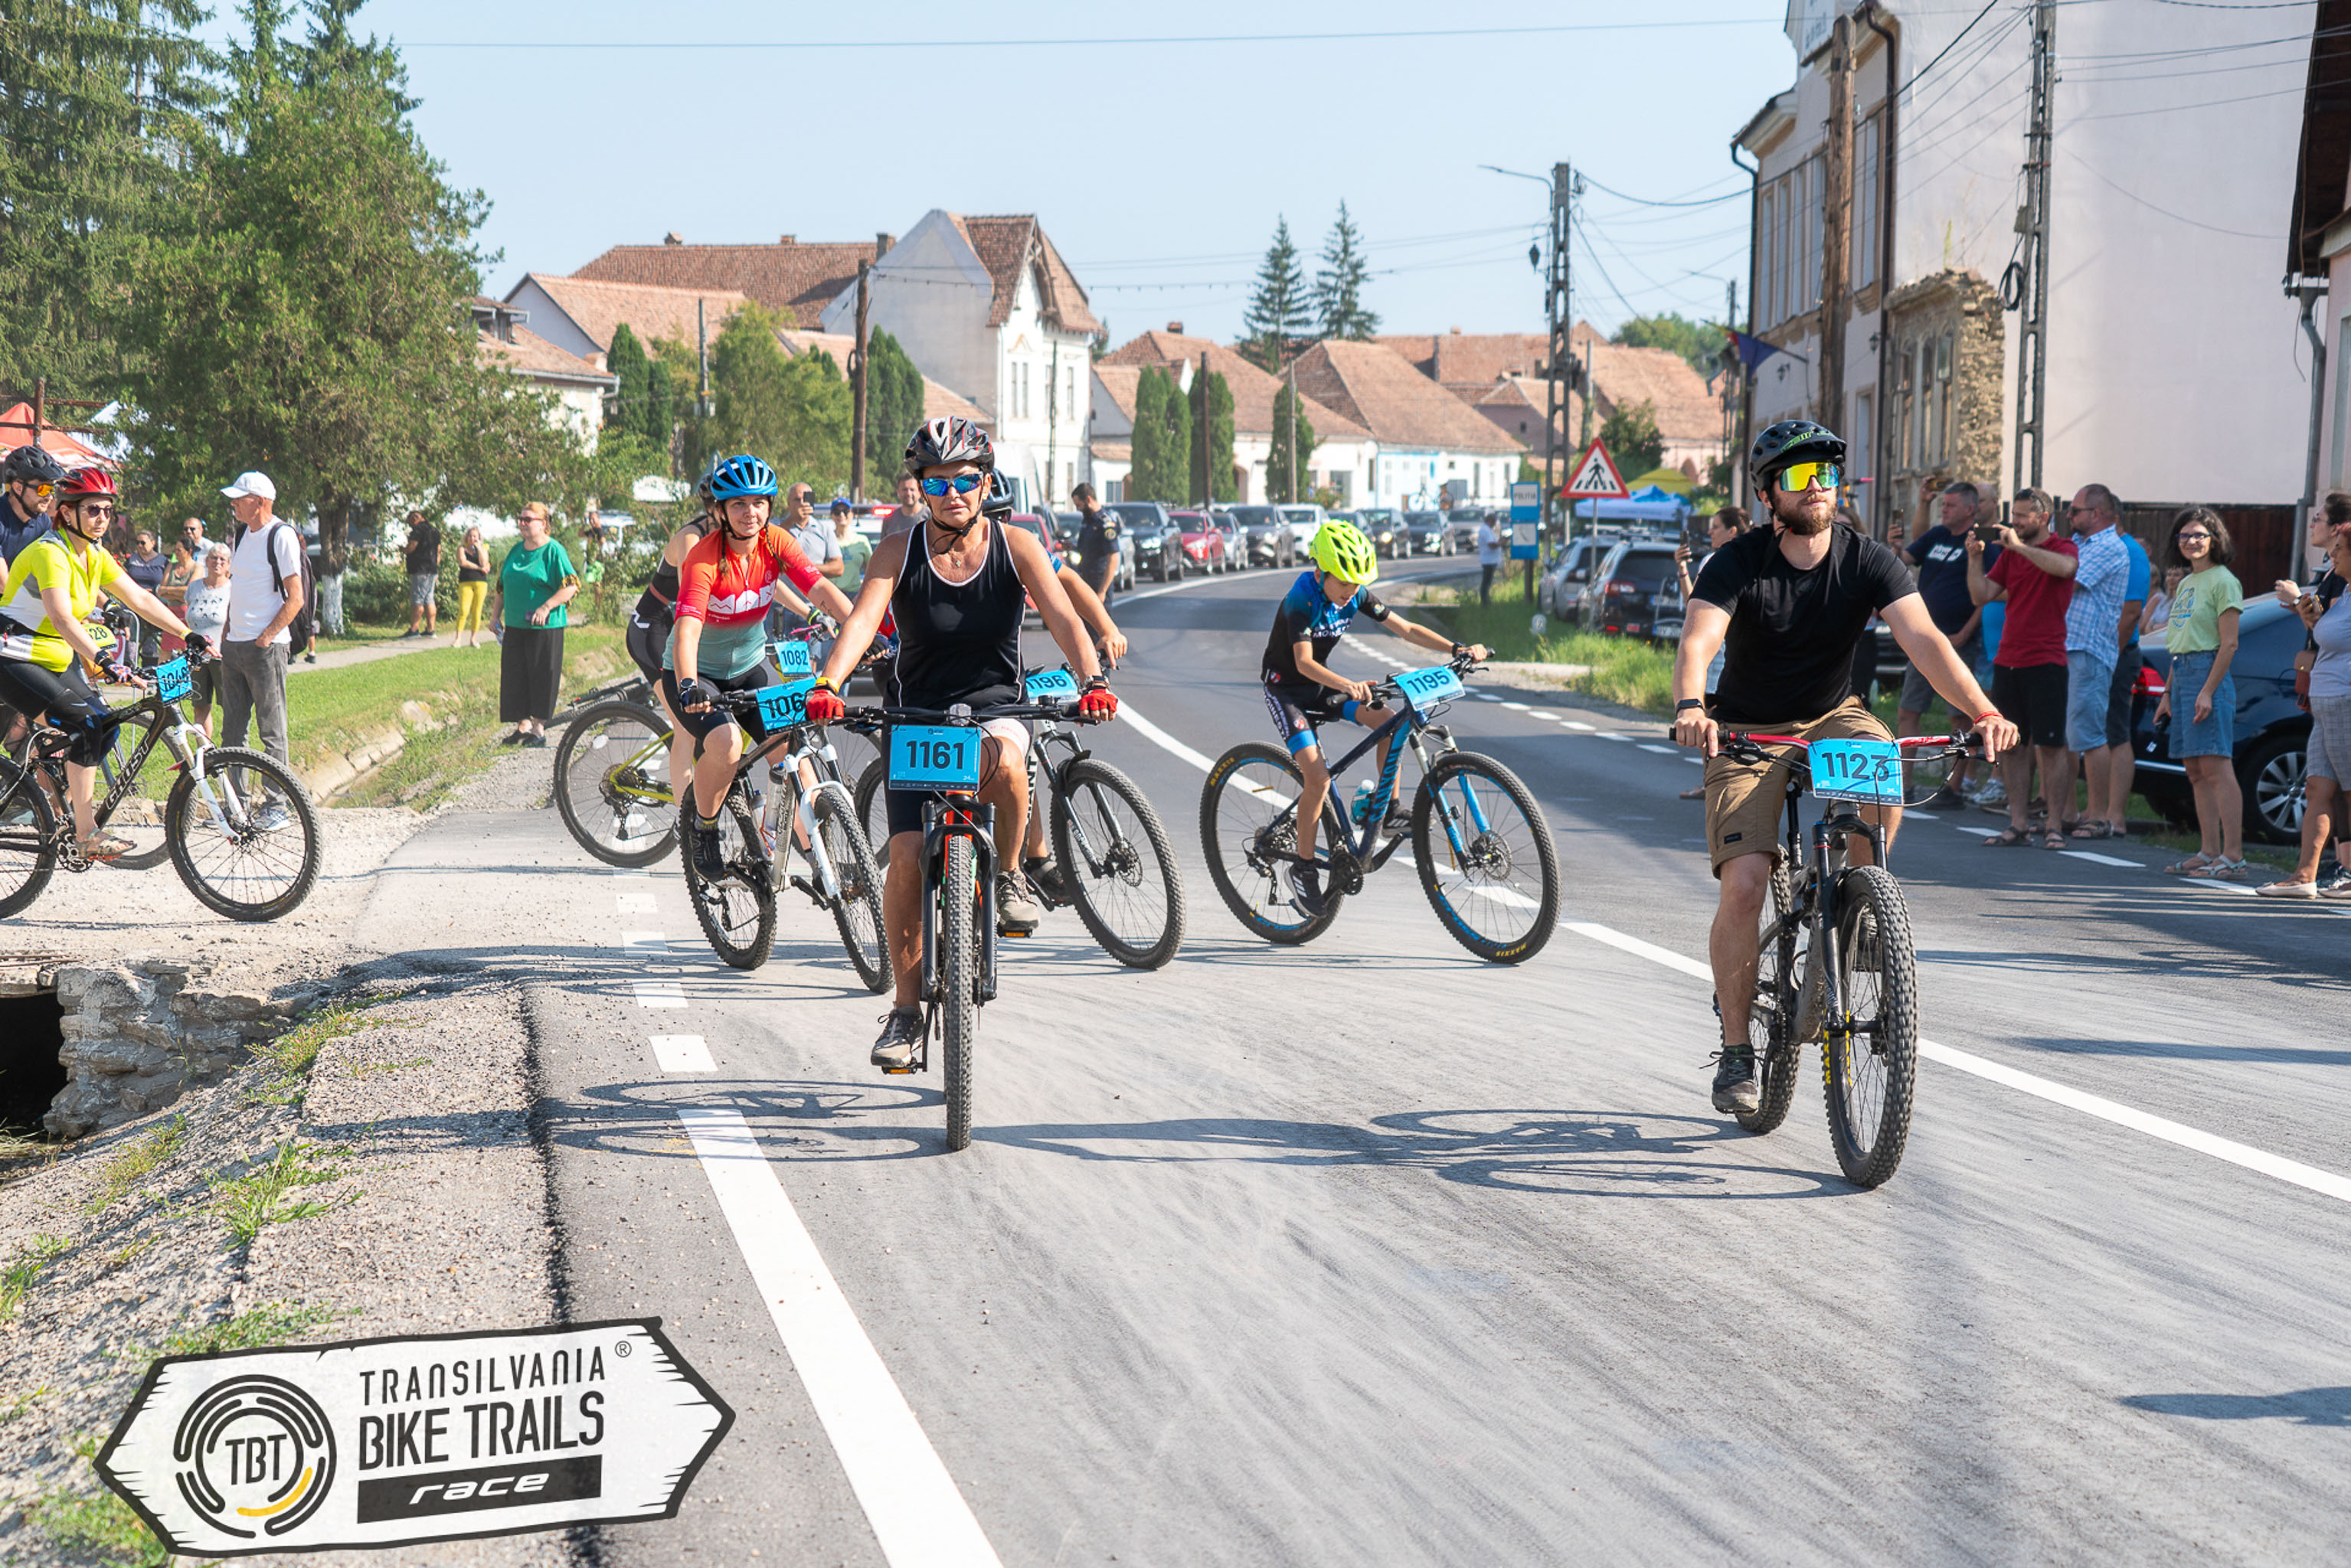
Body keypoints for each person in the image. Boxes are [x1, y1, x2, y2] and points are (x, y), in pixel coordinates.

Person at [1673, 420, 2014, 1116]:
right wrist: (1690, 705)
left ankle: (1859, 910)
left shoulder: (1868, 560)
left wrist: (1982, 711)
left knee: (1883, 763)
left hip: (1834, 714)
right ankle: (1737, 1051)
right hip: (1747, 728)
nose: (1818, 487)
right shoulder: (1736, 563)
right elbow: (1699, 639)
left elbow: (1925, 640)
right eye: (1801, 477)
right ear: (1769, 494)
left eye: (1827, 475)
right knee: (1745, 884)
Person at [804, 416, 1117, 1073]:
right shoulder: (898, 550)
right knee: (906, 859)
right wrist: (830, 682)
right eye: (937, 482)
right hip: (915, 714)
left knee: (1009, 765)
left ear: (986, 483)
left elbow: (1063, 617)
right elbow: (862, 620)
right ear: (920, 488)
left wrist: (1092, 680)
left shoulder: (1016, 545)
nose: (952, 493)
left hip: (996, 706)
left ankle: (1009, 873)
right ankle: (904, 1011)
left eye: (965, 480)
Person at [1259, 520, 1489, 920]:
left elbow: (1407, 628)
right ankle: (1303, 868)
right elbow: (1304, 663)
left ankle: (1387, 812)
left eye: (1356, 584)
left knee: (1387, 723)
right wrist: (1347, 685)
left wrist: (1457, 648)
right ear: (1322, 572)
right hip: (1288, 691)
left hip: (1323, 686)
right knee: (1318, 779)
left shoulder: (1356, 594)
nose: (1351, 592)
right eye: (1344, 583)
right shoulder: (1302, 599)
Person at [667, 456, 856, 878]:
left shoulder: (776, 541)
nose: (750, 513)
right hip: (698, 674)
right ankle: (704, 828)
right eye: (738, 504)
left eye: (758, 503)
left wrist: (864, 630)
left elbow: (819, 588)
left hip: (749, 667)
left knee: (791, 747)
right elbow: (687, 631)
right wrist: (687, 684)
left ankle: (819, 857)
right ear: (721, 511)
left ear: (770, 506)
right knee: (728, 744)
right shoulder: (703, 558)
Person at [0, 469, 201, 857]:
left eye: (108, 511)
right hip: (13, 656)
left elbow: (140, 599)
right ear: (67, 512)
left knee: (105, 726)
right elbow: (62, 619)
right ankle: (85, 833)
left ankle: (55, 790)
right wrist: (104, 660)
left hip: (53, 657)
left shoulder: (94, 554)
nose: (103, 518)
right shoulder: (50, 553)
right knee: (87, 724)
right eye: (93, 509)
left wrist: (187, 632)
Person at [1967, 486, 2075, 848]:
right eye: (2013, 515)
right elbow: (1981, 595)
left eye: (2021, 516)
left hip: (2047, 660)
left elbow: (2066, 568)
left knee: (2051, 746)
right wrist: (1974, 558)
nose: (2014, 522)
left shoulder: (2062, 548)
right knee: (2011, 746)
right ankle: (2018, 824)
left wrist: (2019, 547)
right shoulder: (2010, 554)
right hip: (2008, 660)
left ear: (2043, 518)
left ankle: (2054, 825)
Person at [2259, 494, 2351, 897]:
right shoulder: (2340, 587)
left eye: (2339, 550)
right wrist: (2307, 610)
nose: (2333, 557)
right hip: (2325, 697)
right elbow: (2325, 632)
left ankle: (2347, 871)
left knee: (2348, 789)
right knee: (2317, 786)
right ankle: (2304, 876)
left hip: (2344, 697)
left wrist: (2300, 601)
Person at [2155, 508, 2247, 880]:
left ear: (2214, 539)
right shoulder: (2188, 582)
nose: (2191, 541)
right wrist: (2167, 694)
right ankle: (2209, 851)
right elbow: (2181, 641)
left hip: (2208, 674)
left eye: (2199, 535)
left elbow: (2229, 644)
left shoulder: (2224, 580)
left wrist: (2207, 691)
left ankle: (2233, 855)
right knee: (2194, 769)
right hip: (2183, 673)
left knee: (2216, 765)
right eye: (2184, 536)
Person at [1897, 482, 1993, 808]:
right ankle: (1904, 784)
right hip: (1923, 638)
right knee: (1908, 709)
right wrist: (1921, 505)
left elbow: (1987, 591)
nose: (1945, 509)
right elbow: (1905, 557)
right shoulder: (1937, 535)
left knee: (1960, 716)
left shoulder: (1981, 542)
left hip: (1957, 640)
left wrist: (1966, 632)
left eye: (1950, 505)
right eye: (1943, 504)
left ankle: (1953, 788)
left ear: (1970, 509)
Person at [219, 470, 304, 825]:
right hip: (235, 646)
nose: (234, 505)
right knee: (232, 732)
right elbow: (239, 587)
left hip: (265, 649)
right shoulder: (242, 534)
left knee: (272, 730)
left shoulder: (281, 535)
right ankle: (236, 807)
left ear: (261, 502)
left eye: (240, 499)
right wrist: (227, 631)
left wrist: (267, 636)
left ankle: (276, 806)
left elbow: (296, 597)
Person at [2052, 483, 2131, 836]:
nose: (2069, 516)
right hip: (2065, 646)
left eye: (2075, 511)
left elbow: (2067, 579)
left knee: (2089, 736)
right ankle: (2069, 812)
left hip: (2088, 650)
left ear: (2096, 514)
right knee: (2065, 737)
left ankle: (2099, 816)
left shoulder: (2110, 546)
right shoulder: (2080, 544)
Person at [2086, 495, 2153, 839]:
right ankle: (2093, 810)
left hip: (2117, 653)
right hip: (2096, 652)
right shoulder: (2098, 549)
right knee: (2094, 732)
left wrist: (2109, 655)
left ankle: (2115, 815)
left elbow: (2131, 613)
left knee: (2115, 732)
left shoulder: (2130, 551)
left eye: (2080, 512)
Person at [1673, 507, 1751, 799]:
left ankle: (1714, 782)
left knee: (1709, 721)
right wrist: (1683, 570)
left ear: (1732, 531)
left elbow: (1693, 606)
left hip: (1716, 652)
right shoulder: (1755, 558)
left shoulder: (1716, 561)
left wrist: (1682, 570)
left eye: (1716, 527)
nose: (1710, 532)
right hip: (1743, 652)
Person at [489, 502, 577, 748]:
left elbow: (571, 585)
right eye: (520, 519)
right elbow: (502, 586)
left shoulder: (553, 551)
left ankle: (538, 730)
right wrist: (495, 617)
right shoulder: (516, 551)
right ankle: (523, 726)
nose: (522, 523)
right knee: (515, 675)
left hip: (545, 627)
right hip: (516, 625)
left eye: (528, 519)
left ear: (543, 523)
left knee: (541, 676)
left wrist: (547, 606)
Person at [181, 544, 233, 740]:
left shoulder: (232, 589)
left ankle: (231, 747)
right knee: (200, 706)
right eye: (214, 558)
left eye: (222, 559)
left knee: (229, 705)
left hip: (222, 656)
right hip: (197, 658)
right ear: (207, 561)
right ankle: (205, 749)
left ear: (228, 565)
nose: (217, 562)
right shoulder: (194, 587)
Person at [1, 444, 65, 565]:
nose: (50, 497)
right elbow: (3, 577)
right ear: (18, 488)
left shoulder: (42, 521)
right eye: (43, 489)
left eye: (51, 490)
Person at [116, 529, 170, 665]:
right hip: (132, 599)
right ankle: (130, 661)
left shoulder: (163, 561)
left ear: (152, 543)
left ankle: (149, 660)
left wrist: (153, 591)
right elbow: (124, 577)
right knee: (130, 623)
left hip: (154, 600)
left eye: (143, 543)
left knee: (151, 626)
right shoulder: (132, 560)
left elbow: (165, 583)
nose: (140, 546)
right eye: (137, 543)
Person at [1071, 482, 1121, 602]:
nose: (1078, 509)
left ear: (1088, 500)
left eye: (1079, 505)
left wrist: (1102, 591)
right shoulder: (1088, 521)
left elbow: (1113, 558)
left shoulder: (1106, 523)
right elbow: (1089, 549)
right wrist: (1072, 547)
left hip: (1099, 581)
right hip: (1086, 579)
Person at [783, 482, 844, 582]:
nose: (802, 503)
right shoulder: (777, 527)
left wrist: (807, 568)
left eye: (806, 499)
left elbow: (838, 568)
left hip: (814, 591)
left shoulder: (824, 530)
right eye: (797, 500)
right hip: (783, 591)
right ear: (789, 503)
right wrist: (791, 520)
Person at [403, 511, 442, 639]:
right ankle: (431, 630)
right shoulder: (434, 531)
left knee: (417, 599)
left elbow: (412, 547)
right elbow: (439, 550)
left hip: (420, 569)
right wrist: (435, 565)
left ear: (415, 519)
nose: (410, 525)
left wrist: (403, 549)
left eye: (410, 522)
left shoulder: (418, 530)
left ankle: (414, 630)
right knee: (429, 599)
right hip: (432, 570)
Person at [453, 526, 492, 647]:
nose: (472, 538)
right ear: (466, 537)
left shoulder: (484, 548)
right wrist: (479, 568)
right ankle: (458, 639)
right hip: (466, 581)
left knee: (477, 611)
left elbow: (484, 562)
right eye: (470, 536)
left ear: (479, 537)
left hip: (481, 582)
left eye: (475, 536)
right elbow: (463, 562)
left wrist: (479, 548)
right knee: (464, 610)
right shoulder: (462, 549)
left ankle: (473, 639)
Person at [832, 499, 871, 593]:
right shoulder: (827, 540)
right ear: (832, 515)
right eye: (837, 512)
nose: (842, 515)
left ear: (852, 515)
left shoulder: (862, 541)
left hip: (855, 594)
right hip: (832, 594)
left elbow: (871, 570)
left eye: (846, 511)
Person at [2142, 565, 2185, 643]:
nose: (2171, 578)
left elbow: (2174, 627)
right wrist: (2161, 626)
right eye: (2169, 575)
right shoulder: (2163, 601)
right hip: (2154, 643)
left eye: (2176, 575)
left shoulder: (2185, 603)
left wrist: (2153, 626)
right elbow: (2146, 628)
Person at [881, 472, 926, 541]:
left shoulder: (931, 517)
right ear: (898, 492)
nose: (908, 493)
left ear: (920, 492)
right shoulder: (889, 520)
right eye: (905, 489)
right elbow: (884, 546)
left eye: (912, 489)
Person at [1476, 513, 1504, 604]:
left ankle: (1485, 600)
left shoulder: (1488, 530)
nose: (1495, 524)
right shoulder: (1485, 530)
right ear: (1490, 521)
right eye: (1494, 521)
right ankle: (1484, 602)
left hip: (1490, 560)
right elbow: (1491, 545)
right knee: (1486, 582)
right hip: (1488, 560)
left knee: (1488, 582)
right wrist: (1501, 543)